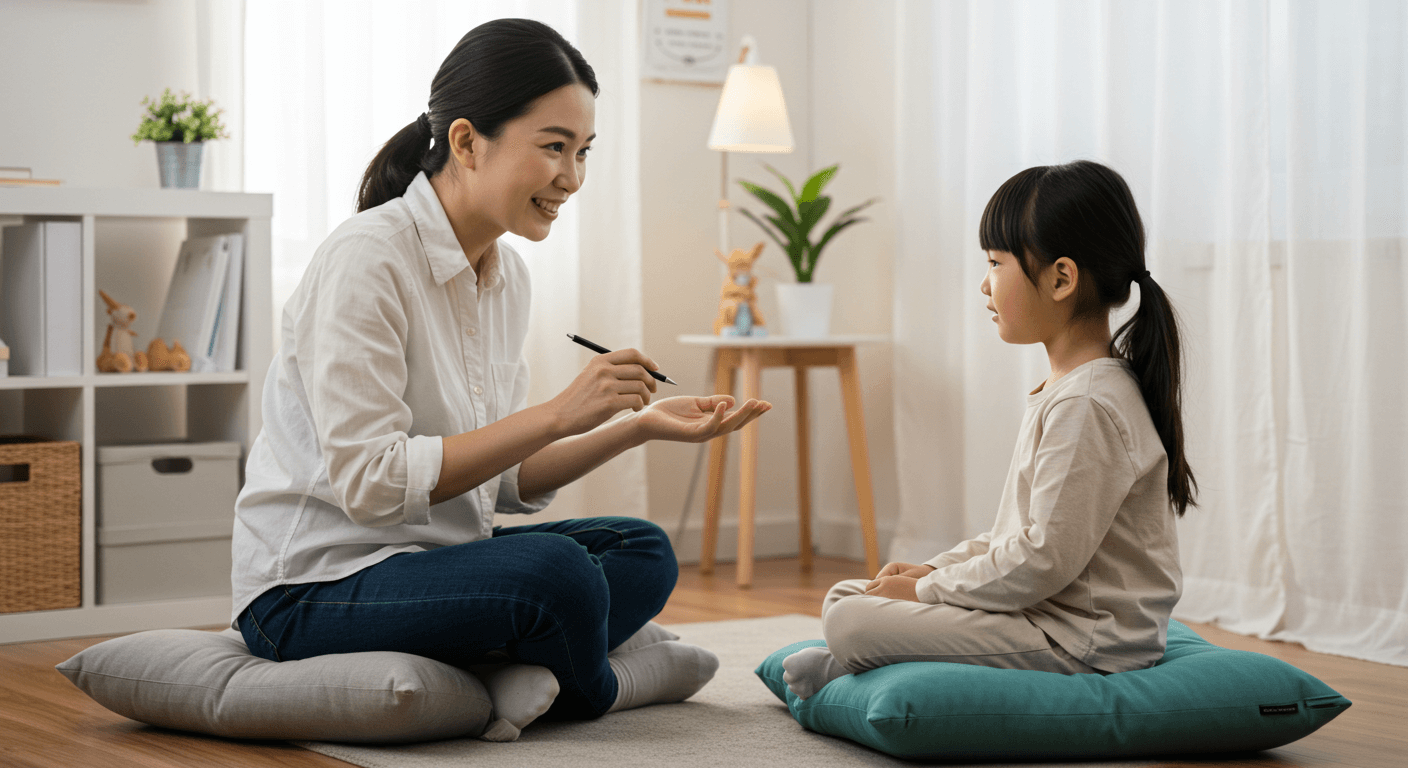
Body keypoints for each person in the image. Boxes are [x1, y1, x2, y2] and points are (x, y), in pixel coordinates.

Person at [231, 18, 772, 742]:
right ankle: (610, 687)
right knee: (554, 572)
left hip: (438, 565)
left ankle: (510, 663)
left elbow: (503, 483)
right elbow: (370, 483)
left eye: (582, 152)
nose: (572, 178)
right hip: (313, 587)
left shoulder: (505, 274)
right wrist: (554, 412)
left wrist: (634, 426)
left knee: (639, 550)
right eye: (553, 147)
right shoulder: (369, 259)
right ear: (466, 141)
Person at [783, 160, 1196, 699]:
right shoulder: (1075, 390)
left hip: (1083, 641)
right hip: (1047, 616)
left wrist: (927, 592)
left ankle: (859, 669)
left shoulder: (1088, 403)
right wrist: (933, 568)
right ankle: (871, 663)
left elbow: (1041, 560)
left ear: (1061, 278)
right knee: (847, 596)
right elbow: (1017, 538)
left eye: (996, 263)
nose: (984, 283)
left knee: (851, 622)